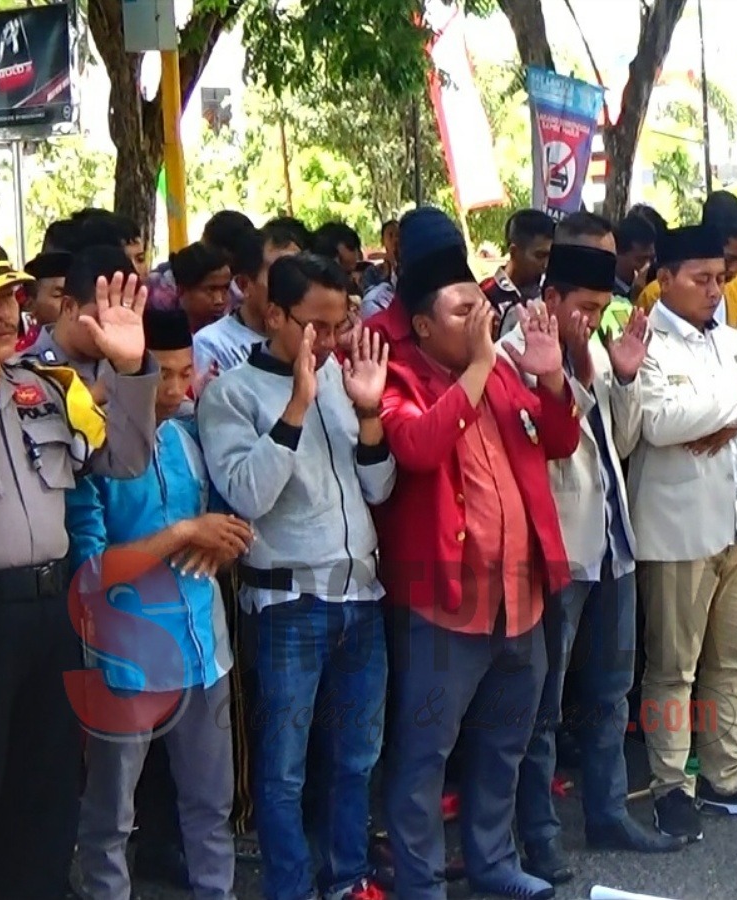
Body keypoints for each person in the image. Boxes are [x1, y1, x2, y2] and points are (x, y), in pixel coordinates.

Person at [0, 228, 159, 899]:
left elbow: (126, 459)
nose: (5, 311)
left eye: (10, 294)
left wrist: (133, 371)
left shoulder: (45, 385)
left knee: (44, 817)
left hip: (48, 620)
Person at [366, 208, 580, 900]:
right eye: (463, 311)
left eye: (481, 306)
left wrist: (550, 381)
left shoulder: (507, 370)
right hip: (441, 601)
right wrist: (485, 365)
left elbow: (559, 441)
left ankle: (493, 863)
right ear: (423, 326)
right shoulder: (398, 375)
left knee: (505, 743)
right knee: (424, 753)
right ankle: (422, 881)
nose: (481, 319)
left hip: (521, 596)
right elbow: (418, 448)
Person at [198, 253, 395, 900]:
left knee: (354, 758)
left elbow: (378, 486)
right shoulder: (231, 393)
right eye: (317, 326)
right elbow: (247, 495)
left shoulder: (344, 376)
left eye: (340, 323)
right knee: (282, 770)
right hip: (287, 602)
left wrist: (368, 415)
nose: (332, 340)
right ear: (275, 315)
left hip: (360, 596)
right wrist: (296, 404)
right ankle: (291, 888)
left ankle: (346, 880)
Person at [507, 243, 682, 886]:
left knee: (611, 694)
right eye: (583, 307)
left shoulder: (598, 355)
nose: (592, 319)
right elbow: (550, 446)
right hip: (559, 551)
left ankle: (609, 813)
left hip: (613, 542)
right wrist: (569, 371)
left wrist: (625, 376)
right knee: (542, 704)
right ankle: (539, 835)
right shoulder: (517, 357)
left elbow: (625, 440)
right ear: (549, 300)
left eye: (601, 308)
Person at [68, 307, 247, 900]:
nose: (174, 391)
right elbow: (92, 576)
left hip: (205, 654)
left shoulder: (188, 437)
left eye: (182, 373)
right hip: (127, 662)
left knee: (209, 807)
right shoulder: (92, 459)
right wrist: (181, 535)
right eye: (160, 376)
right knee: (111, 821)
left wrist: (222, 541)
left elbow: (225, 519)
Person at [632, 223, 737, 841]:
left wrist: (733, 412)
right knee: (673, 665)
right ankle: (670, 784)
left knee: (736, 657)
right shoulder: (646, 342)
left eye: (720, 278)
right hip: (679, 530)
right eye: (700, 279)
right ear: (663, 279)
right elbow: (661, 422)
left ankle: (728, 774)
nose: (714, 289)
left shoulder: (731, 339)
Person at [23, 244, 140, 390]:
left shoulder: (133, 366)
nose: (111, 331)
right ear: (69, 307)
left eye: (122, 320)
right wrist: (94, 399)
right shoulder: (24, 371)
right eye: (102, 319)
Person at [194, 229, 298, 377]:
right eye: (281, 277)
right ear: (244, 285)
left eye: (299, 277)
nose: (294, 287)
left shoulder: (313, 336)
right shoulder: (211, 344)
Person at [482, 210, 554, 323]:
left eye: (550, 256)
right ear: (514, 252)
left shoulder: (551, 290)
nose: (546, 264)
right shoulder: (486, 296)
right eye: (540, 256)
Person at [171, 242, 234, 334]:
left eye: (226, 287)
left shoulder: (231, 331)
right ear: (181, 290)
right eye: (211, 289)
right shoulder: (162, 334)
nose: (219, 300)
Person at [18, 249, 72, 352]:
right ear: (31, 305)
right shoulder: (18, 359)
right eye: (58, 295)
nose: (72, 304)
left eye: (76, 294)